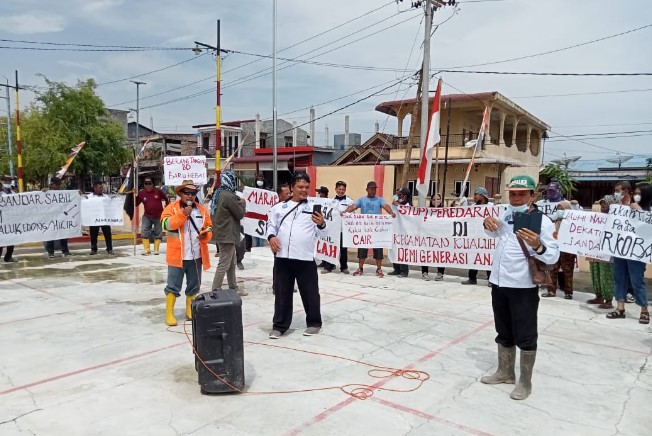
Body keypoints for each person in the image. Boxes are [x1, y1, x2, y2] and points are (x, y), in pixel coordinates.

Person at [481, 175, 559, 401]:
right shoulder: (505, 213)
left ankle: (525, 382)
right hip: (499, 282)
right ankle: (505, 372)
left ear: (532, 195)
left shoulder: (542, 221)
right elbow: (495, 233)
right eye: (512, 193)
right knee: (503, 330)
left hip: (523, 285)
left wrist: (538, 245)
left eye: (521, 194)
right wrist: (487, 224)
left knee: (525, 334)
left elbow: (553, 255)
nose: (515, 198)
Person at [266, 172, 327, 339]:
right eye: (300, 187)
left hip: (305, 258)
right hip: (282, 258)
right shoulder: (279, 208)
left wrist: (321, 223)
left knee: (310, 293)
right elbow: (271, 226)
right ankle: (279, 326)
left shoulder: (314, 207)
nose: (304, 190)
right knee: (282, 293)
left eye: (307, 187)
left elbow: (324, 231)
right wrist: (271, 238)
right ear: (292, 187)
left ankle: (314, 323)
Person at [161, 180, 213, 326]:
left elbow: (210, 227)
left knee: (194, 285)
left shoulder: (202, 210)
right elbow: (166, 224)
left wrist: (206, 234)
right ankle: (169, 314)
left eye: (193, 193)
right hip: (177, 256)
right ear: (180, 193)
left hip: (196, 255)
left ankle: (190, 310)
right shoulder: (171, 208)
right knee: (173, 286)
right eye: (187, 193)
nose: (190, 196)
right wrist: (183, 214)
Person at [606, 182, 650, 325]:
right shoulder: (625, 208)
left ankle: (644, 310)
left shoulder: (648, 211)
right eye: (635, 193)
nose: (636, 196)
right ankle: (620, 308)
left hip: (637, 252)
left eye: (639, 194)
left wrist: (641, 213)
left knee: (637, 280)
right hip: (621, 249)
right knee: (619, 278)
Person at [344, 181, 396, 277]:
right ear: (367, 189)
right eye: (371, 189)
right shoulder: (362, 200)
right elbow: (353, 207)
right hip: (364, 230)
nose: (373, 190)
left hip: (376, 230)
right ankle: (360, 268)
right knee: (362, 249)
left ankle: (379, 269)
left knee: (378, 249)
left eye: (374, 189)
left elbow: (386, 206)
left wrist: (391, 213)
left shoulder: (380, 200)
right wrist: (345, 212)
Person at [211, 172, 247, 296]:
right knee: (224, 264)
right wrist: (242, 203)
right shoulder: (228, 196)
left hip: (222, 233)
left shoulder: (218, 193)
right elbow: (240, 213)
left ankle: (233, 288)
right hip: (227, 234)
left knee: (232, 262)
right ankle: (215, 291)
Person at [540, 201, 576, 299]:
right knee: (552, 269)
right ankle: (551, 291)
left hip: (567, 250)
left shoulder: (573, 222)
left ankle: (568, 292)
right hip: (555, 248)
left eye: (562, 209)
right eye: (558, 209)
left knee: (567, 271)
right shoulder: (553, 221)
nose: (560, 211)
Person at [587, 195, 615, 309]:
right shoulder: (596, 217)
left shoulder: (615, 219)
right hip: (594, 250)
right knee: (595, 273)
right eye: (602, 203)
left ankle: (608, 300)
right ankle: (598, 296)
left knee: (606, 275)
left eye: (606, 203)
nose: (603, 205)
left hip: (606, 252)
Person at [462, 187, 493, 286]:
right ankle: (472, 278)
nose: (474, 197)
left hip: (487, 237)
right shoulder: (473, 207)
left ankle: (490, 279)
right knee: (473, 257)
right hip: (475, 237)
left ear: (482, 196)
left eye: (476, 194)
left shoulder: (491, 206)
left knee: (488, 258)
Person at [324, 181, 354, 274]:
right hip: (332, 229)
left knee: (343, 249)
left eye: (343, 189)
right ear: (336, 189)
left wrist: (346, 213)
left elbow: (352, 214)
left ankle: (344, 267)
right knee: (330, 247)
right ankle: (328, 266)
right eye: (339, 189)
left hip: (343, 229)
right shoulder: (331, 201)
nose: (341, 191)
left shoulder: (349, 201)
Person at [136, 177, 169, 255]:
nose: (147, 185)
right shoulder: (141, 193)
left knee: (158, 232)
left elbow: (166, 198)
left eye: (149, 183)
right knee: (144, 231)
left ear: (153, 184)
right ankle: (147, 249)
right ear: (143, 185)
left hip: (159, 216)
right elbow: (136, 203)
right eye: (146, 183)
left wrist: (167, 207)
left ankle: (156, 250)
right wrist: (132, 195)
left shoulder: (158, 191)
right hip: (147, 216)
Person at [45, 177, 72, 259]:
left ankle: (65, 250)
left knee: (63, 233)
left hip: (61, 217)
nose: (58, 186)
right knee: (51, 234)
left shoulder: (62, 193)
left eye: (58, 185)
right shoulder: (46, 192)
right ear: (52, 184)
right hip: (51, 217)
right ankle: (50, 251)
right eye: (56, 185)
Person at [422, 193, 446, 281]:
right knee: (425, 254)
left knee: (441, 254)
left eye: (438, 199)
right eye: (434, 199)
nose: (436, 201)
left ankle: (440, 273)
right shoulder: (426, 212)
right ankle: (424, 272)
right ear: (431, 201)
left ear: (441, 200)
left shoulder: (446, 212)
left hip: (440, 237)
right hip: (428, 236)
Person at [388, 187, 412, 278]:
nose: (398, 196)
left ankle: (404, 271)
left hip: (404, 232)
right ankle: (396, 268)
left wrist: (397, 205)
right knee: (394, 249)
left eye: (400, 195)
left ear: (405, 196)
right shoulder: (397, 204)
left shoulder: (408, 206)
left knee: (403, 251)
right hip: (395, 230)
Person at [88, 181, 114, 255]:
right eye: (100, 187)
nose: (101, 189)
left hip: (104, 219)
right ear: (95, 188)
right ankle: (94, 249)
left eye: (102, 187)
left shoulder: (106, 196)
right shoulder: (89, 197)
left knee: (107, 234)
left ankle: (109, 249)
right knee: (93, 235)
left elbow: (111, 205)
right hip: (94, 219)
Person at [0, 175, 18, 263]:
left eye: (9, 181)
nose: (8, 183)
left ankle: (8, 257)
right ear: (2, 182)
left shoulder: (13, 193)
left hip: (11, 220)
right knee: (1, 240)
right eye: (6, 181)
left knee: (11, 239)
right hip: (1, 220)